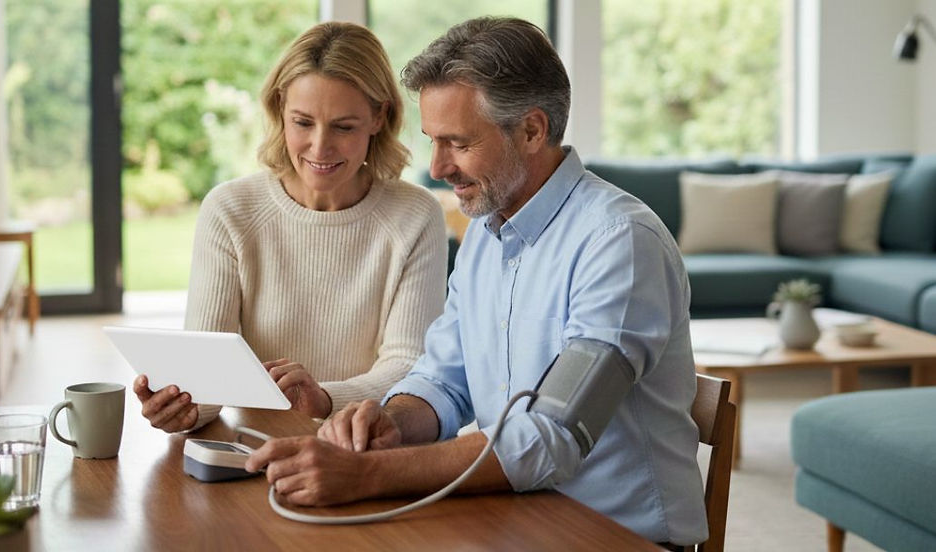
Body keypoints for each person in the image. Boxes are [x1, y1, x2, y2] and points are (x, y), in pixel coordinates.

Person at [245, 17, 708, 547]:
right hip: (515, 520)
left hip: (617, 537)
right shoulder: (486, 234)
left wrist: (369, 475)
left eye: (458, 143)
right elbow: (444, 382)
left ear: (532, 130)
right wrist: (392, 423)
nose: (437, 167)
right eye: (433, 142)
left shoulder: (619, 242)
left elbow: (555, 435)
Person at [133, 22, 447, 431]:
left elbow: (410, 366)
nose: (320, 147)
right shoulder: (230, 211)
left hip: (365, 447)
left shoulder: (416, 215)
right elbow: (208, 371)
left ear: (378, 116)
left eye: (343, 127)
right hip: (254, 447)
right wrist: (185, 409)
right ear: (280, 108)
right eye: (303, 122)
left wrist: (324, 398)